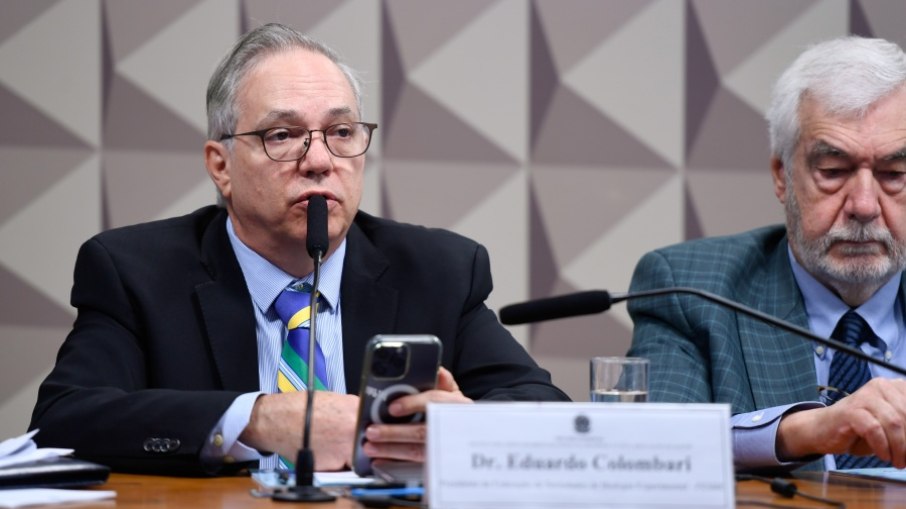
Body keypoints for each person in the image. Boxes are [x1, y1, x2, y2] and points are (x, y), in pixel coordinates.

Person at [29, 23, 569, 476]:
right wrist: (260, 420)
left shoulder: (440, 269)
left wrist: (467, 425)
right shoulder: (135, 271)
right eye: (283, 135)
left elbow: (546, 413)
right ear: (221, 166)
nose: (319, 160)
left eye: (340, 132)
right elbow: (65, 418)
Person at [627, 35, 906, 472]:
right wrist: (805, 430)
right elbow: (651, 450)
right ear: (782, 176)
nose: (865, 206)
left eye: (895, 174)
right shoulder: (692, 289)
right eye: (833, 172)